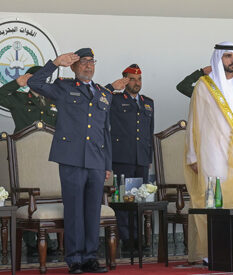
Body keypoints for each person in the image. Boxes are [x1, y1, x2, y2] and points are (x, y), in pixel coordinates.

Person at [28, 48, 128, 273]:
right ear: (73, 66)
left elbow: (105, 132)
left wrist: (107, 165)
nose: (89, 66)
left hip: (95, 161)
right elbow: (35, 82)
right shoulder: (63, 88)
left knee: (92, 212)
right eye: (83, 62)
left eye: (92, 62)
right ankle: (74, 260)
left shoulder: (103, 94)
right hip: (71, 159)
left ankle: (90, 257)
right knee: (74, 211)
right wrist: (55, 63)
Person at [184, 41, 233, 263]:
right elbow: (194, 121)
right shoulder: (204, 86)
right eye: (227, 56)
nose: (232, 60)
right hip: (211, 151)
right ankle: (210, 250)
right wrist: (192, 155)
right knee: (213, 199)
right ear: (218, 59)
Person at [0, 66, 58, 255]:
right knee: (27, 198)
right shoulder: (20, 98)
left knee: (48, 199)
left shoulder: (53, 101)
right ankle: (32, 240)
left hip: (51, 159)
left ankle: (47, 235)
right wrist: (17, 83)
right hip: (25, 161)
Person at [110, 64, 154, 243]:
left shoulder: (148, 102)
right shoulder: (115, 100)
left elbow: (149, 132)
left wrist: (148, 157)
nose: (137, 82)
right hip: (123, 156)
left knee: (139, 199)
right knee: (124, 200)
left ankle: (138, 237)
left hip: (141, 158)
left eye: (139, 79)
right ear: (125, 80)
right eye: (132, 79)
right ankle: (127, 239)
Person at [0, 66, 57, 133]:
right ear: (28, 80)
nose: (42, 82)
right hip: (23, 141)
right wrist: (16, 83)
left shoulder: (55, 101)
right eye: (38, 78)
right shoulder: (19, 98)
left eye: (44, 78)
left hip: (49, 142)